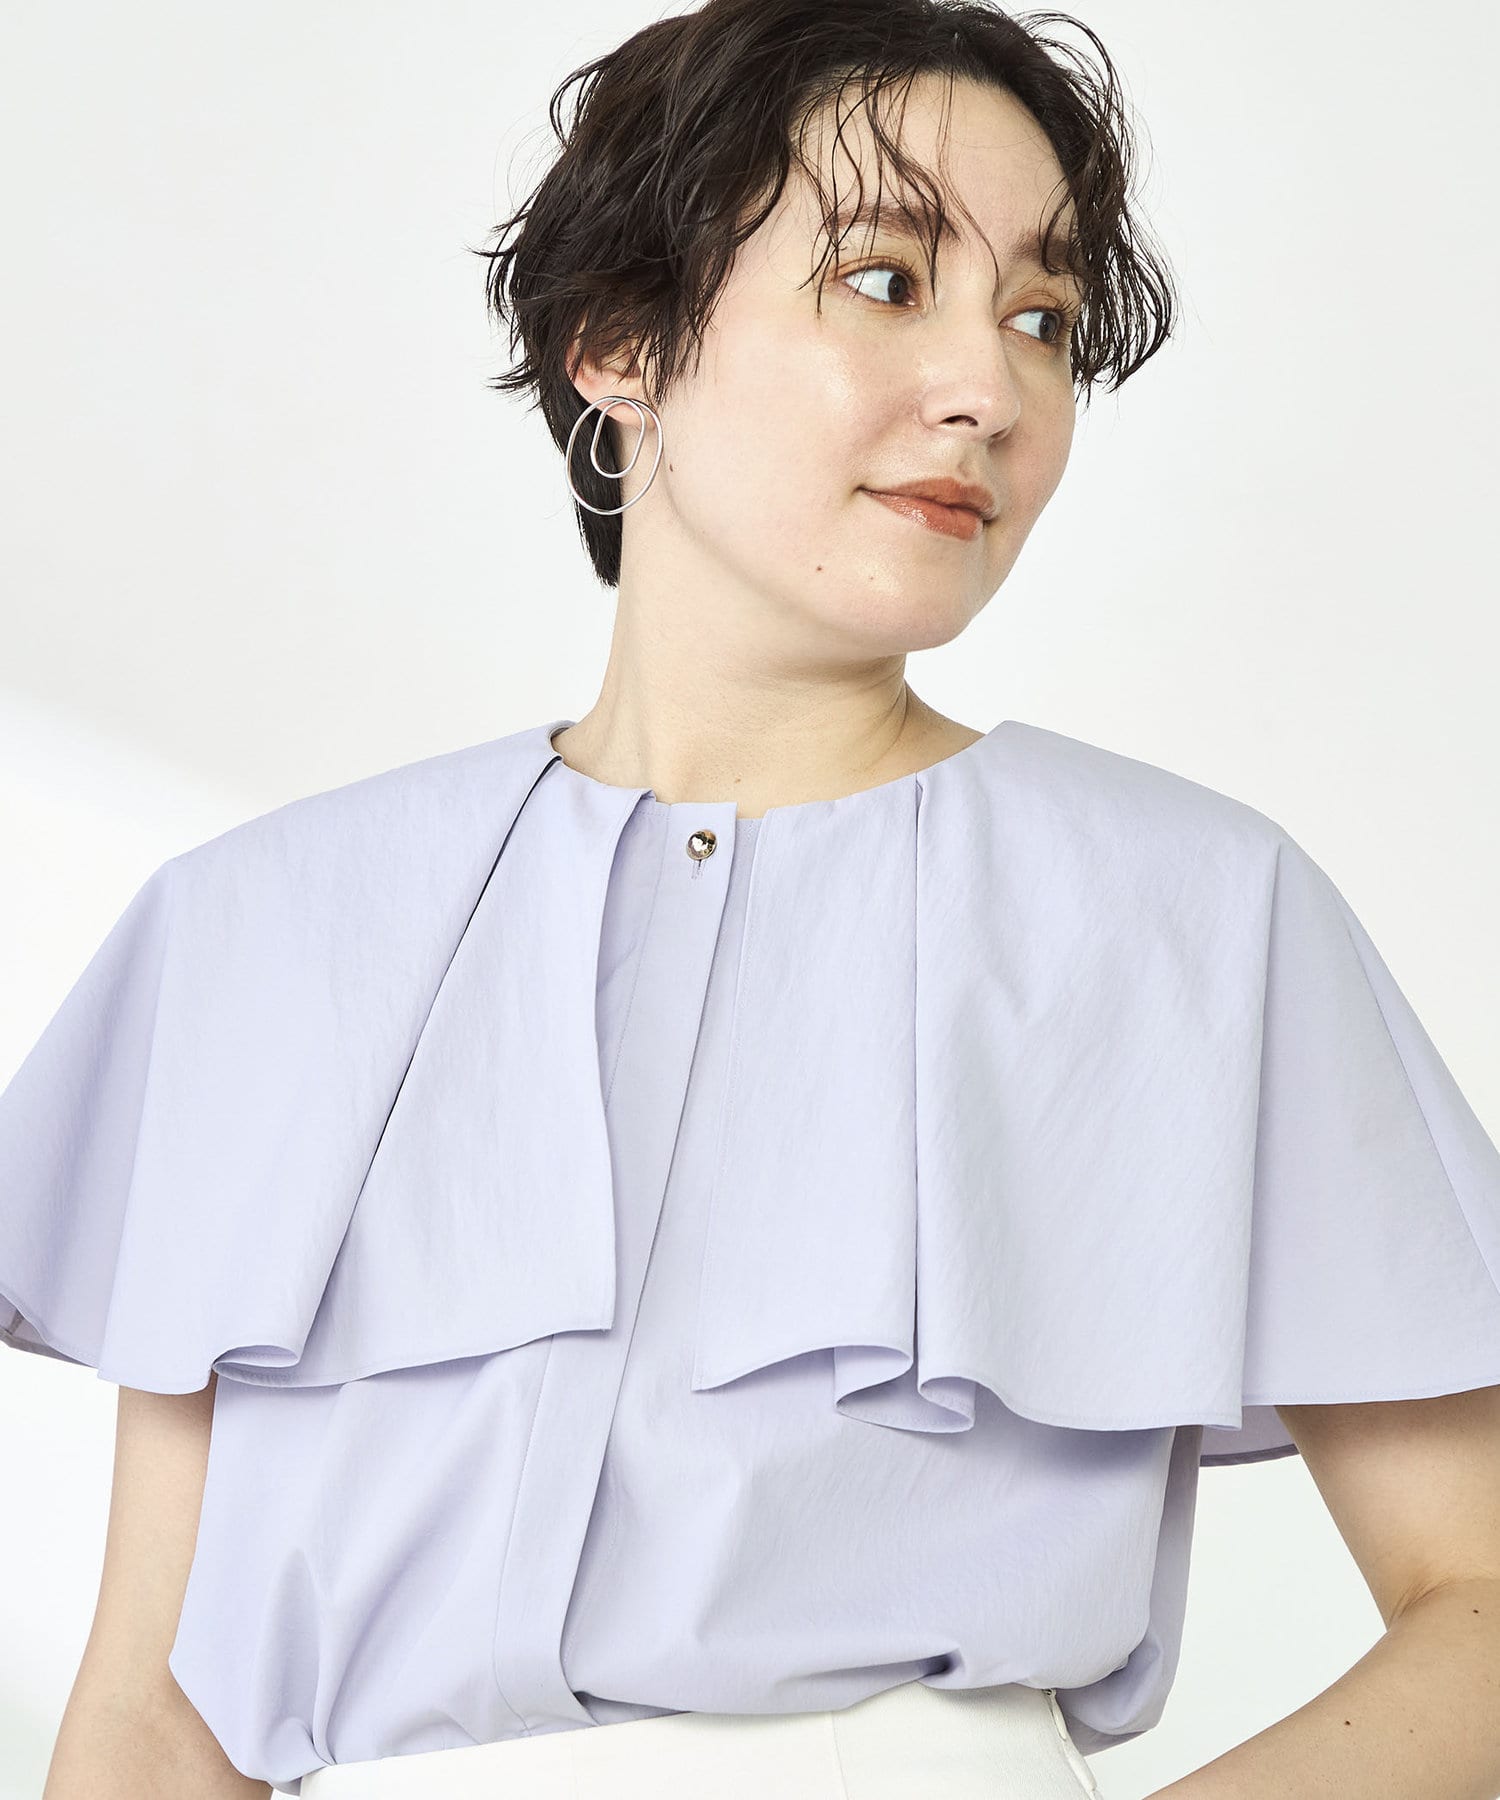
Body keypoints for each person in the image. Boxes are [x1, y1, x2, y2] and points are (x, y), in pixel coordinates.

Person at [5, 1, 1500, 1797]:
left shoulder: (1197, 919)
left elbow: (1481, 1601)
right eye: (885, 281)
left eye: (1042, 318)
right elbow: (154, 1719)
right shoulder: (256, 932)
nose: (990, 389)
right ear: (621, 341)